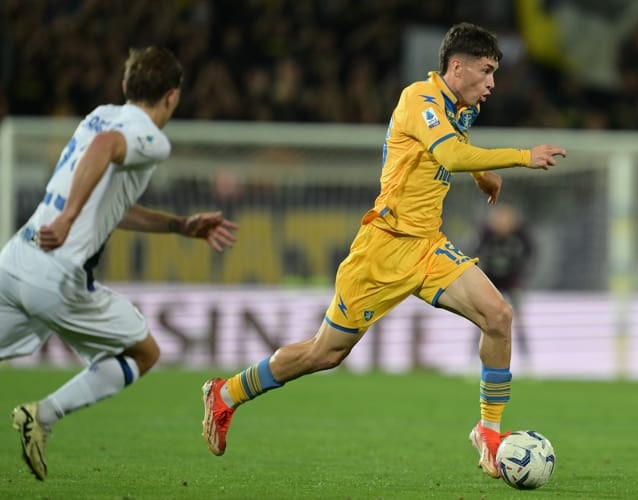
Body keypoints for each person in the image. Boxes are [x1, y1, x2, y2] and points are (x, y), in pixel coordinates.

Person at [200, 22, 565, 479]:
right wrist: (521, 156)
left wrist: (480, 174)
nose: (492, 83)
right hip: (382, 250)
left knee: (499, 316)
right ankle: (227, 393)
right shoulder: (419, 100)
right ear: (458, 66)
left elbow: (454, 147)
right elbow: (449, 155)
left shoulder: (461, 108)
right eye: (487, 71)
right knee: (325, 353)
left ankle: (488, 433)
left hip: (428, 247)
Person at [0, 46, 238, 481]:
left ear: (126, 85)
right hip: (58, 276)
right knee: (144, 352)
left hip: (17, 260)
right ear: (172, 97)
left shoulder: (99, 115)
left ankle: (42, 415)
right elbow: (107, 150)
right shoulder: (148, 137)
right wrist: (69, 218)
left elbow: (110, 201)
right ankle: (43, 415)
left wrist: (181, 226)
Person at [474, 203, 534, 369]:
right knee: (482, 318)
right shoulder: (487, 233)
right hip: (492, 279)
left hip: (512, 280)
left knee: (519, 319)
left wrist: (522, 273)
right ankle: (474, 360)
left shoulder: (520, 234)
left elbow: (530, 253)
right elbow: (476, 252)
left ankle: (526, 361)